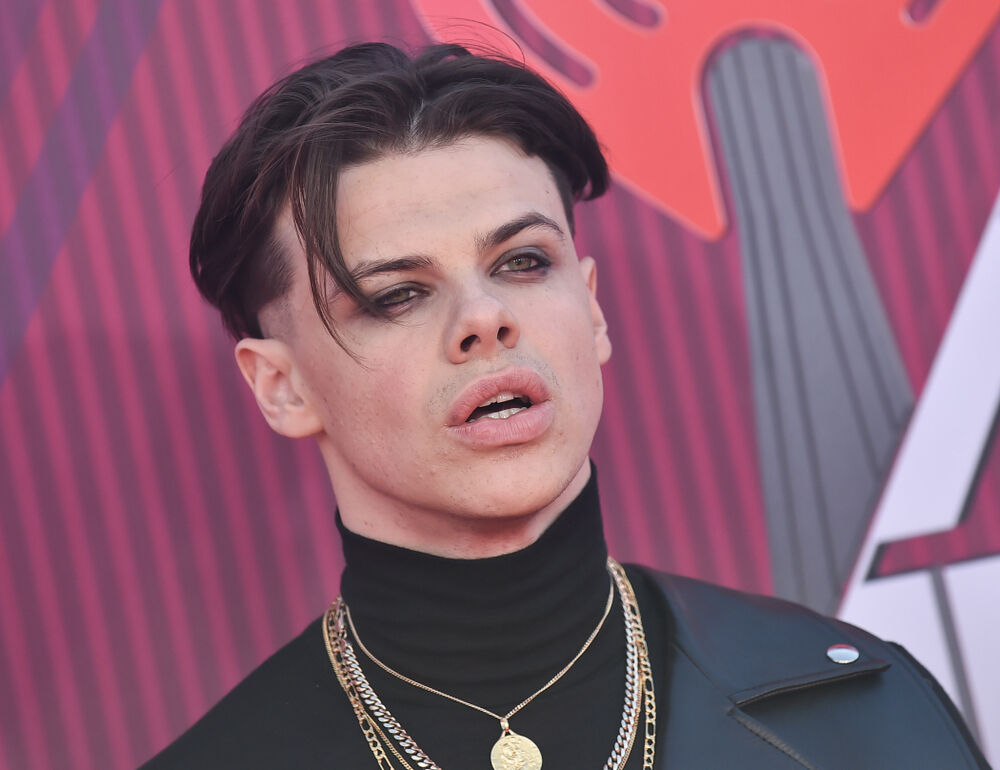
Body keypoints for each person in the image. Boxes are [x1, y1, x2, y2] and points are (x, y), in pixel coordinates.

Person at [142, 42, 989, 769]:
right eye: (398, 294)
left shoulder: (857, 714)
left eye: (521, 263)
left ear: (590, 309)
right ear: (280, 387)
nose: (484, 320)